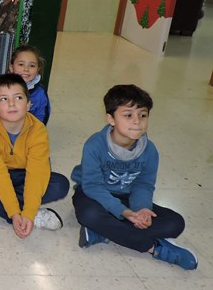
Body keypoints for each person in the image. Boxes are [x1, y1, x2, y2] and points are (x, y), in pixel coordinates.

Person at [71, 85, 197, 270]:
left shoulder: (150, 150)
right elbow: (93, 186)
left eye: (143, 115)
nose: (137, 121)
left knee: (176, 223)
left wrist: (141, 210)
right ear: (111, 119)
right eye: (128, 115)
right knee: (89, 215)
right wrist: (124, 213)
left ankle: (104, 232)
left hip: (127, 197)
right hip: (93, 195)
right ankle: (155, 248)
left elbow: (144, 184)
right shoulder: (95, 145)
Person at [0, 73, 69, 238]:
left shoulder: (38, 130)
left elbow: (36, 173)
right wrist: (14, 214)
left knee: (60, 185)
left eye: (18, 97)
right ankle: (25, 215)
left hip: (23, 173)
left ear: (29, 104)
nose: (11, 104)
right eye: (4, 99)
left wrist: (28, 213)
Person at [0, 45, 51, 125]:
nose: (26, 69)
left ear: (38, 69)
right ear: (11, 67)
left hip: (27, 131)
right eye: (21, 64)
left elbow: (41, 118)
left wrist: (32, 131)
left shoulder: (40, 93)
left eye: (32, 66)